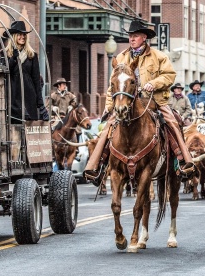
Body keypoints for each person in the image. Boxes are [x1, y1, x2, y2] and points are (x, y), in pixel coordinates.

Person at [83, 20, 195, 184]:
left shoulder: (159, 56)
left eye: (135, 36)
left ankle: (184, 162)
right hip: (126, 103)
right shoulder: (121, 57)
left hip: (154, 101)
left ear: (144, 37)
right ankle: (97, 166)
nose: (132, 39)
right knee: (108, 128)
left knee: (173, 123)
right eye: (130, 36)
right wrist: (109, 107)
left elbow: (169, 75)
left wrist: (154, 83)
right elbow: (112, 86)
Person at [3, 20, 48, 122]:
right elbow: (5, 72)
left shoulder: (32, 55)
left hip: (29, 96)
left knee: (29, 126)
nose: (23, 37)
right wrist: (14, 59)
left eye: (24, 35)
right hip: (13, 96)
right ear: (14, 36)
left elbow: (36, 80)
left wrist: (41, 105)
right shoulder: (5, 54)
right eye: (19, 34)